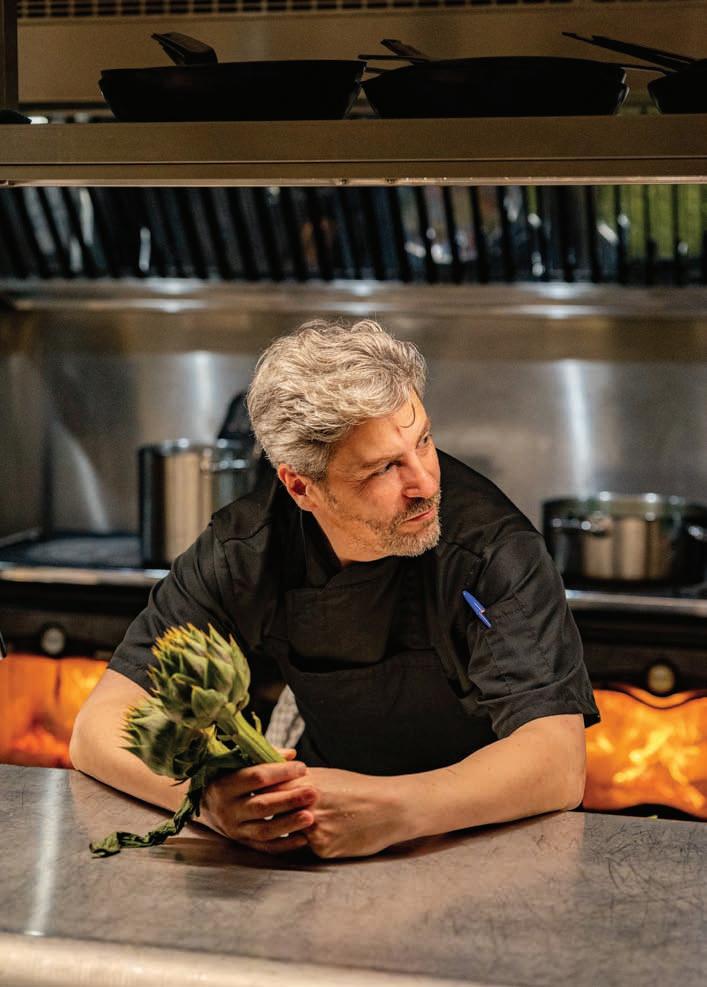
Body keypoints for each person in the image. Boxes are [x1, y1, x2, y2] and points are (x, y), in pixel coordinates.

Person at [71, 318, 600, 860]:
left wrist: (396, 810)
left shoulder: (492, 551)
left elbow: (557, 761)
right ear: (301, 487)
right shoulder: (247, 549)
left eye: (423, 440)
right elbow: (98, 724)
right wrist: (204, 798)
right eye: (383, 469)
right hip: (319, 844)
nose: (425, 483)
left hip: (488, 842)